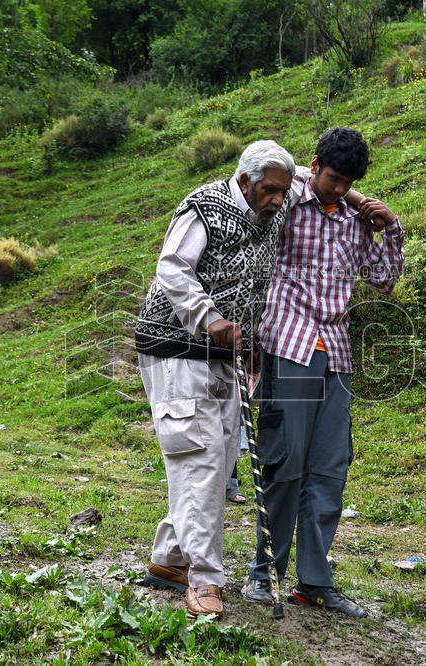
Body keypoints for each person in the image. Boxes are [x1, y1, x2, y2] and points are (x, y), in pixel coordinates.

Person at [242, 127, 403, 618]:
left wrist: (389, 225)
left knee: (330, 469)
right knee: (285, 463)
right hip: (287, 342)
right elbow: (260, 181)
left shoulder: (358, 221)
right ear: (314, 166)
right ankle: (263, 572)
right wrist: (344, 192)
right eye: (332, 177)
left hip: (335, 352)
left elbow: (384, 279)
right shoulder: (288, 197)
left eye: (347, 181)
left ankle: (313, 582)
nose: (338, 189)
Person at [134, 140, 295, 619]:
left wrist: (254, 347)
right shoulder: (204, 206)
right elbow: (172, 267)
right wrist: (207, 316)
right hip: (176, 347)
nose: (275, 200)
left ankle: (170, 560)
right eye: (267, 190)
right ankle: (206, 580)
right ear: (244, 181)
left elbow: (313, 177)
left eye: (281, 192)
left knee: (218, 456)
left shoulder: (275, 209)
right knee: (201, 459)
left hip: (227, 353)